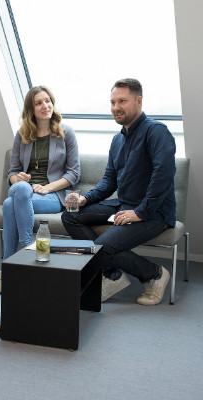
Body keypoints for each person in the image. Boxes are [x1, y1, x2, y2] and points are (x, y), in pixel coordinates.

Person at [61, 78, 176, 306]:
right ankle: (111, 273)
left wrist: (141, 212)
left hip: (154, 213)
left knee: (103, 246)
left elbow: (163, 176)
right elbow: (109, 180)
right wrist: (85, 198)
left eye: (122, 101)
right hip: (123, 204)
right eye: (113, 102)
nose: (116, 107)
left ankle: (154, 274)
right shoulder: (117, 139)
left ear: (139, 101)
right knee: (70, 215)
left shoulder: (157, 132)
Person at [0, 85, 80, 293]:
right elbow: (12, 173)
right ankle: (26, 252)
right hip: (25, 192)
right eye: (39, 103)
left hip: (51, 196)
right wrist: (19, 178)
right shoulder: (22, 134)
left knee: (8, 204)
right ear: (31, 109)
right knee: (20, 189)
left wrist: (47, 187)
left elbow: (74, 173)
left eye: (48, 101)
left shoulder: (65, 133)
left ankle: (8, 269)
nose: (45, 106)